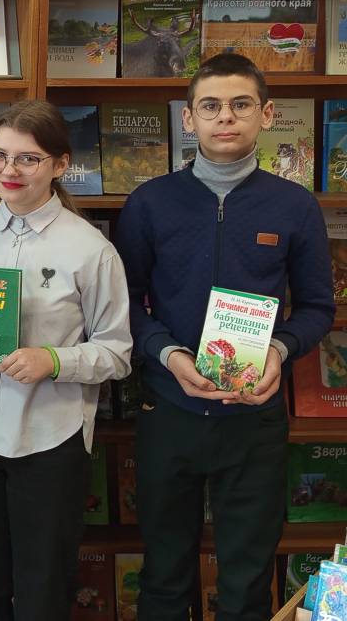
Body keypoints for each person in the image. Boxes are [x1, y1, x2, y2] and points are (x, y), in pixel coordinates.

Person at [114, 53, 334, 620]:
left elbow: (317, 308)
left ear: (266, 114)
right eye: (210, 106)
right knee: (164, 576)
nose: (225, 117)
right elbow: (121, 306)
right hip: (169, 411)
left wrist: (280, 351)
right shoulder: (150, 202)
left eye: (240, 104)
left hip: (254, 421)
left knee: (246, 581)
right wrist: (168, 354)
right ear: (189, 119)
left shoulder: (294, 206)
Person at [0, 100, 132, 620]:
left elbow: (117, 352)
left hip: (49, 439)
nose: (9, 170)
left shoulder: (91, 250)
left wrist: (54, 360)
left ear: (60, 164)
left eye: (28, 158)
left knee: (43, 589)